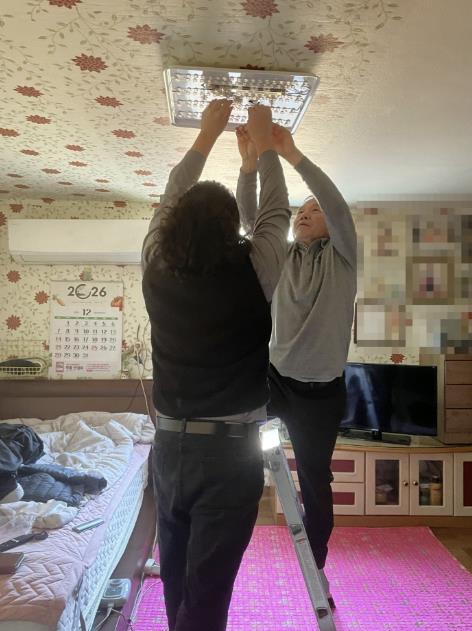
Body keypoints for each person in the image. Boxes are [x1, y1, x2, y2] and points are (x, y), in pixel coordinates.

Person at [141, 100, 290, 631]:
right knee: (207, 590)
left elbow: (171, 194)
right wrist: (262, 148)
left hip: (170, 448)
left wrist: (206, 137)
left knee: (178, 580)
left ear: (174, 224)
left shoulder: (155, 263)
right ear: (232, 231)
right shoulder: (255, 268)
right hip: (228, 454)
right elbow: (275, 213)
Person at [236, 123, 357, 606]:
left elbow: (337, 205)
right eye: (300, 212)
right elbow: (255, 219)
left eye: (313, 210)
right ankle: (233, 526)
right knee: (237, 445)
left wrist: (291, 153)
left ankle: (317, 564)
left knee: (315, 479)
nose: (304, 214)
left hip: (321, 393)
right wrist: (249, 166)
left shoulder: (343, 258)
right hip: (276, 379)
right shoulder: (283, 256)